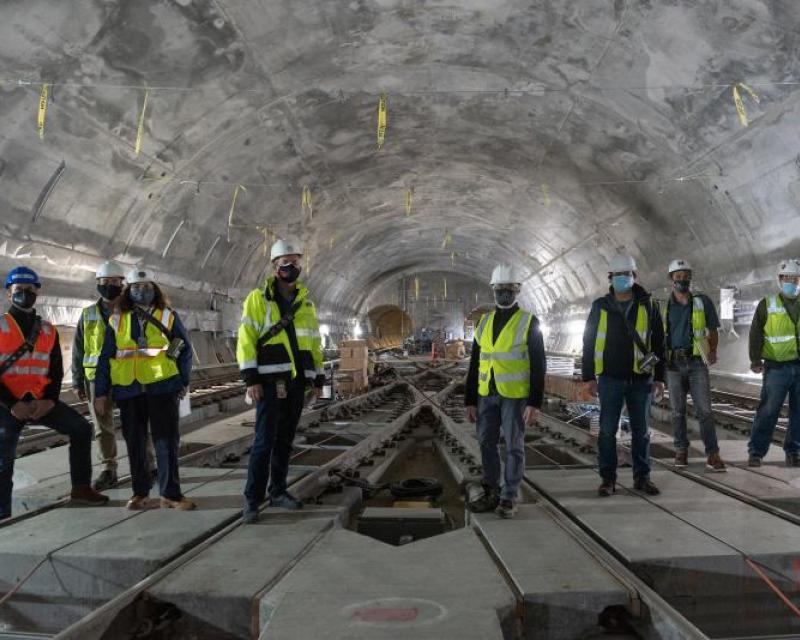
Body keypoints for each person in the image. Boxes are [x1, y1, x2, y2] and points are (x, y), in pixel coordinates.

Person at [0, 266, 108, 519]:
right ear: (8, 294)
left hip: (39, 401)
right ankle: (2, 511)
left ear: (38, 292)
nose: (24, 294)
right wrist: (12, 403)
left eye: (29, 290)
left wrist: (49, 400)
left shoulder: (48, 330)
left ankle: (81, 488)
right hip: (7, 404)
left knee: (81, 429)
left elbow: (56, 370)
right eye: (18, 291)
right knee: (4, 456)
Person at [237, 238, 324, 524]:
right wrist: (251, 378)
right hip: (270, 381)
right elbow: (246, 340)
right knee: (264, 441)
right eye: (284, 263)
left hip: (296, 383)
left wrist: (318, 376)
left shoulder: (306, 303)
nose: (290, 266)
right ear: (275, 268)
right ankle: (252, 499)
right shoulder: (258, 299)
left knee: (285, 440)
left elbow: (313, 343)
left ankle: (278, 491)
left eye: (295, 262)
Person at [94, 268, 195, 510]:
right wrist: (100, 392)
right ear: (128, 291)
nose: (142, 291)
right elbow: (106, 356)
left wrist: (182, 381)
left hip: (163, 386)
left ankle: (171, 494)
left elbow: (183, 346)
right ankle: (140, 492)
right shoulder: (117, 320)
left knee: (167, 441)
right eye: (137, 287)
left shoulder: (167, 315)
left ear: (155, 289)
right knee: (135, 442)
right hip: (129, 389)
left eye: (147, 286)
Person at [465, 263, 546, 518]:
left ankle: (509, 495)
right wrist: (470, 400)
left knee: (514, 446)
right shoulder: (484, 322)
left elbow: (538, 364)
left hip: (515, 396)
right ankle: (491, 490)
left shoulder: (529, 322)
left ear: (518, 290)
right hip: (485, 395)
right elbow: (475, 362)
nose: (504, 294)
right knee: (486, 443)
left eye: (509, 289)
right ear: (493, 290)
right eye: (500, 289)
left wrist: (535, 403)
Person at [582, 254, 666, 497]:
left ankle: (642, 477)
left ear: (634, 276)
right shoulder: (600, 306)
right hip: (609, 378)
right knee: (608, 431)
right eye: (618, 275)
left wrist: (659, 378)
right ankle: (607, 479)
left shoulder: (649, 305)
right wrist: (589, 376)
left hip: (641, 379)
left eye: (626, 274)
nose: (622, 279)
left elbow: (659, 343)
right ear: (611, 278)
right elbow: (588, 341)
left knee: (641, 431)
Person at [72, 261, 156, 490]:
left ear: (123, 284)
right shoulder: (88, 314)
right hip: (93, 379)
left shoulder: (132, 311)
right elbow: (79, 348)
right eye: (105, 282)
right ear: (98, 284)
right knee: (102, 428)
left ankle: (148, 465)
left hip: (127, 375)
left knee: (139, 423)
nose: (110, 286)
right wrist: (78, 379)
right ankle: (109, 469)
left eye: (115, 282)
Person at [662, 259, 725, 471]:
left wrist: (713, 350)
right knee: (677, 411)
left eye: (686, 276)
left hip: (697, 363)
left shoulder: (702, 301)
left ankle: (713, 454)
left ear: (690, 277)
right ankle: (681, 451)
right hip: (673, 365)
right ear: (671, 279)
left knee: (705, 411)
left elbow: (713, 329)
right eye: (678, 276)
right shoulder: (664, 306)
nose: (682, 280)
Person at [747, 259, 800, 467]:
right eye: (787, 278)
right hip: (776, 367)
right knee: (769, 410)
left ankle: (794, 451)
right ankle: (756, 452)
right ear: (780, 280)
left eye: (795, 278)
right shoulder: (767, 304)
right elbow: (756, 333)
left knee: (799, 412)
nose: (792, 282)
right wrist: (755, 359)